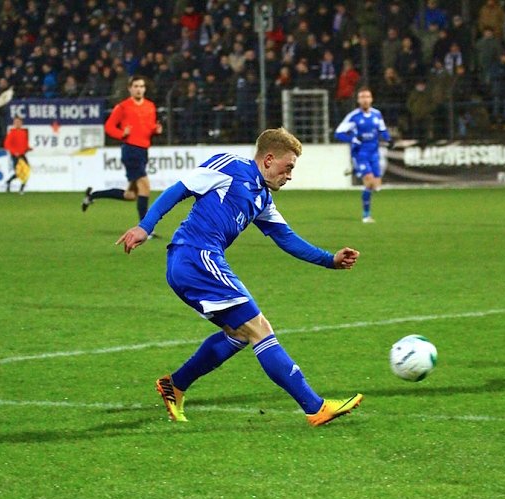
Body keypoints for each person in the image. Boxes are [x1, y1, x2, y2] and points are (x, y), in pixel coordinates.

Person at [115, 128, 364, 426]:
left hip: (196, 262)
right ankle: (315, 407)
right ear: (268, 159)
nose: (289, 176)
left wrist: (329, 260)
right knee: (260, 329)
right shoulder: (231, 166)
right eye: (288, 167)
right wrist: (145, 226)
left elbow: (286, 238)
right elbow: (179, 190)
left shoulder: (262, 198)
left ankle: (175, 384)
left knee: (239, 334)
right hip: (196, 256)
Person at [82, 75, 162, 221]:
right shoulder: (123, 107)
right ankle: (145, 228)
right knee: (145, 187)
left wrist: (155, 130)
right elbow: (109, 126)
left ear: (145, 89)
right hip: (131, 150)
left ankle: (92, 195)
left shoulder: (150, 106)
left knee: (130, 195)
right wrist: (121, 133)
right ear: (130, 89)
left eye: (141, 86)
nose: (139, 89)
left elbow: (148, 127)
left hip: (143, 151)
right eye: (136, 86)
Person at [334, 87, 393, 223]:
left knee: (377, 186)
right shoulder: (353, 116)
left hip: (374, 153)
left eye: (367, 97)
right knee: (369, 182)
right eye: (362, 97)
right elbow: (338, 133)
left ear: (371, 99)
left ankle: (356, 170)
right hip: (360, 153)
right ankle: (366, 215)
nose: (365, 100)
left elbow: (382, 130)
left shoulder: (377, 114)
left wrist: (389, 139)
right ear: (358, 100)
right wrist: (353, 139)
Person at [3, 116, 31, 194]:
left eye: (19, 122)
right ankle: (9, 182)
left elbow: (25, 144)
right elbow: (6, 145)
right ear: (14, 123)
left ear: (21, 123)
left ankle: (19, 187)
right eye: (16, 122)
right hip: (15, 155)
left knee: (27, 170)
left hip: (22, 155)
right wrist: (14, 152)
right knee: (19, 172)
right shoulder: (12, 133)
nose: (18, 123)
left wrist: (28, 148)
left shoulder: (23, 132)